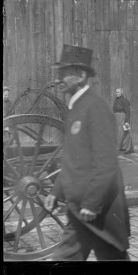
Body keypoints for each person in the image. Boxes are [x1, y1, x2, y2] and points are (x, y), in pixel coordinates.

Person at [45, 44, 130, 260]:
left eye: (65, 73)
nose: (59, 79)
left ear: (81, 76)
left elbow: (107, 164)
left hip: (99, 211)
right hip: (78, 210)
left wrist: (92, 204)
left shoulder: (96, 108)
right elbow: (72, 160)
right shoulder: (75, 108)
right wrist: (56, 192)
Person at [113, 88, 134, 154]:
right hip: (117, 117)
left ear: (121, 93)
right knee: (119, 132)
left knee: (124, 132)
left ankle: (128, 148)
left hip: (122, 117)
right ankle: (123, 147)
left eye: (118, 92)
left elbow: (128, 111)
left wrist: (127, 121)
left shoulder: (125, 100)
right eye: (116, 92)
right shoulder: (116, 100)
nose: (117, 93)